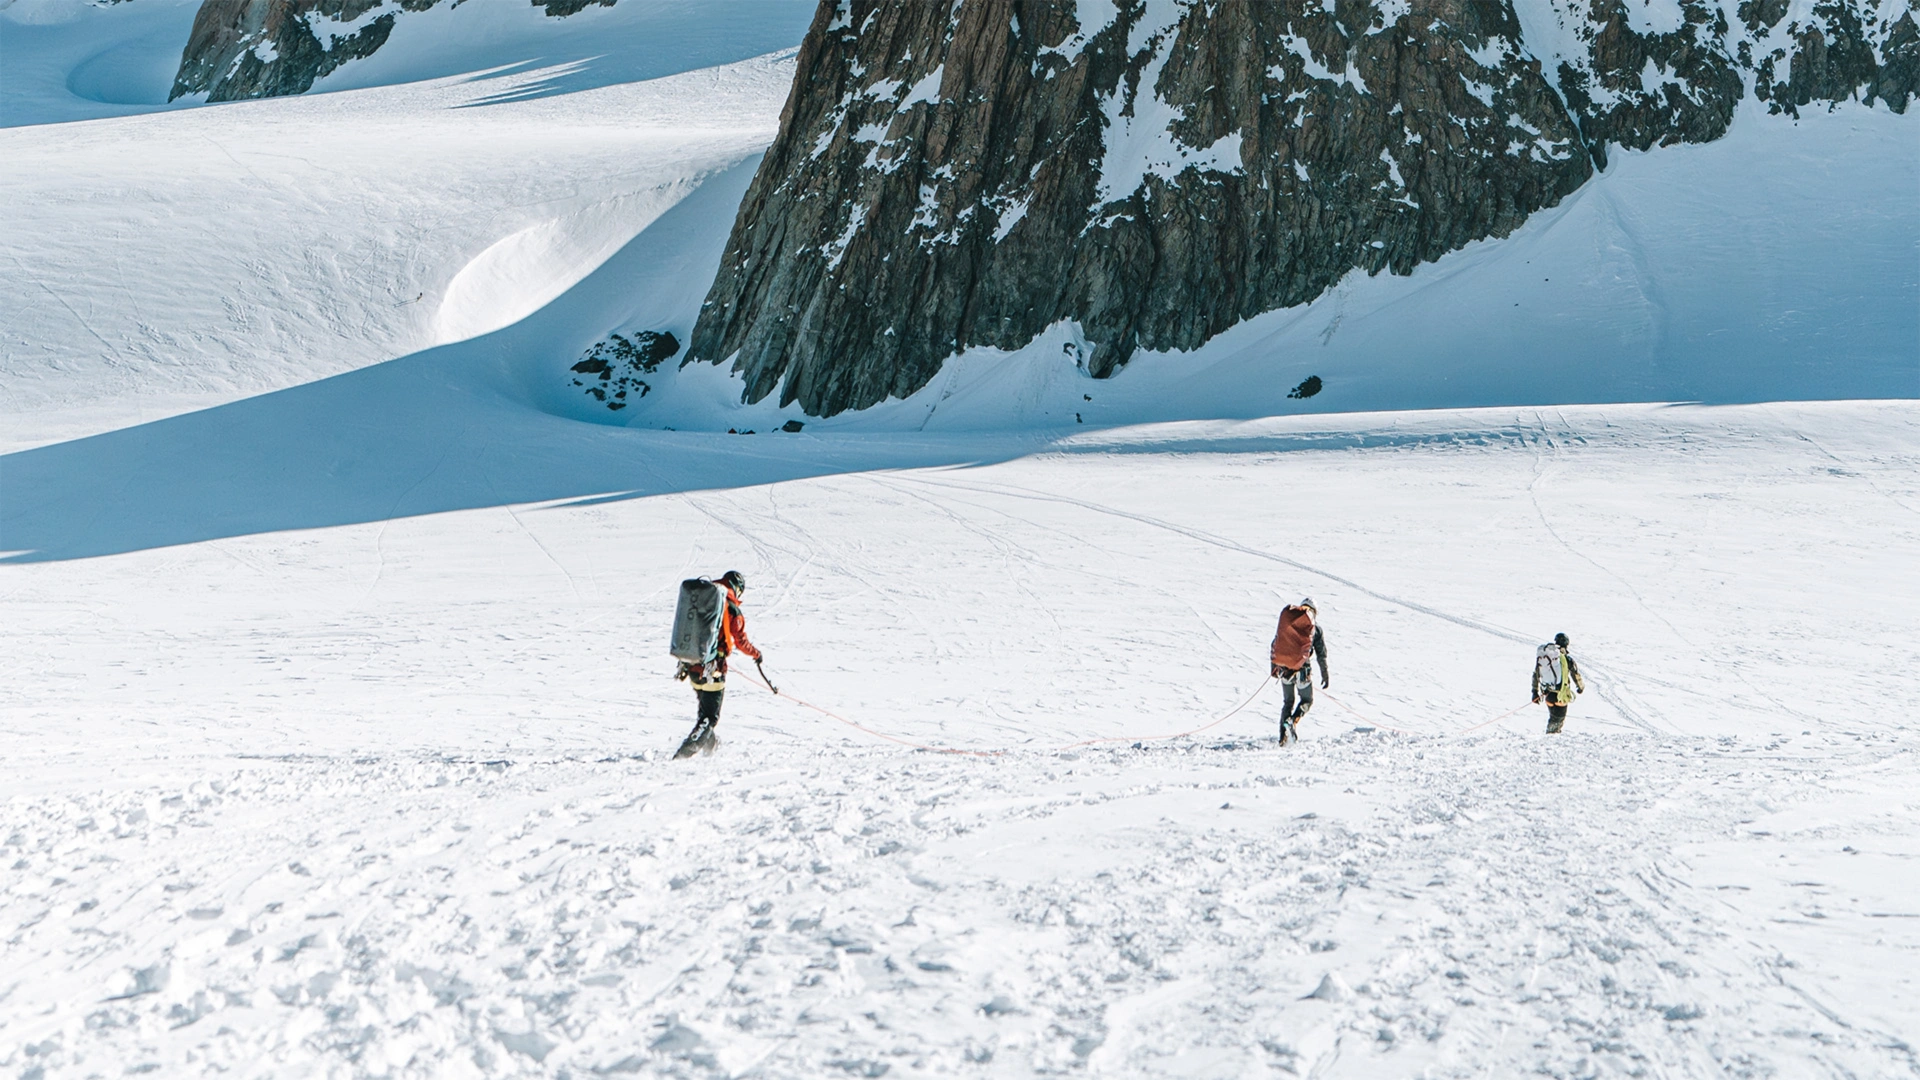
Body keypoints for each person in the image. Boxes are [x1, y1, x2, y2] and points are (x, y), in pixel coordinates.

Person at [673, 570, 761, 758]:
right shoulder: (729, 606)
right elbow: (740, 640)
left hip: (692, 664)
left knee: (705, 710)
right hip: (713, 668)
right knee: (710, 716)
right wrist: (756, 654)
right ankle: (684, 753)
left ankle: (710, 746)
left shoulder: (705, 600)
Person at [1269, 597, 1330, 745]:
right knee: (1307, 700)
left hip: (1284, 670)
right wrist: (1325, 673)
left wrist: (1274, 667)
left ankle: (1283, 739)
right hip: (1303, 670)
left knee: (1288, 702)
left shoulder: (1289, 624)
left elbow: (1275, 644)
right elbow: (1321, 654)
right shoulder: (1315, 628)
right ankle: (1293, 722)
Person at [1531, 632, 1584, 733]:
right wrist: (1580, 687)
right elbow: (1575, 674)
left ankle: (1549, 738)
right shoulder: (1567, 659)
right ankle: (1550, 741)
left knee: (1553, 720)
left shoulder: (1549, 658)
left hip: (1548, 695)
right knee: (1557, 722)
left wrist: (1534, 692)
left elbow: (1536, 674)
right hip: (1561, 695)